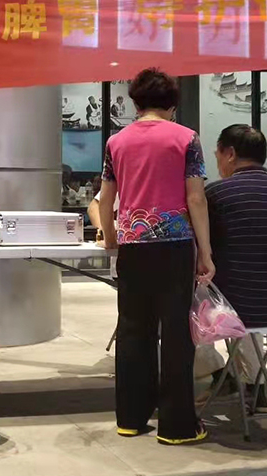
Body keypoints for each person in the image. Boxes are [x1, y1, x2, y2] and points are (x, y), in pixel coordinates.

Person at [99, 68, 215, 445]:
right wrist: (206, 252)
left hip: (133, 246)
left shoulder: (117, 142)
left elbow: (105, 198)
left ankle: (130, 418)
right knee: (177, 334)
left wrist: (113, 236)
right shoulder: (186, 138)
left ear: (135, 101)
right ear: (173, 104)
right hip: (174, 245)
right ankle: (177, 426)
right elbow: (196, 197)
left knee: (134, 330)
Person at [202, 124, 267, 412]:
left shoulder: (216, 194)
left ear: (230, 154)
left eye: (217, 154)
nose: (217, 161)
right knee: (244, 293)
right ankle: (253, 386)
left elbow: (202, 249)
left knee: (185, 300)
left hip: (239, 307)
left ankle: (217, 375)